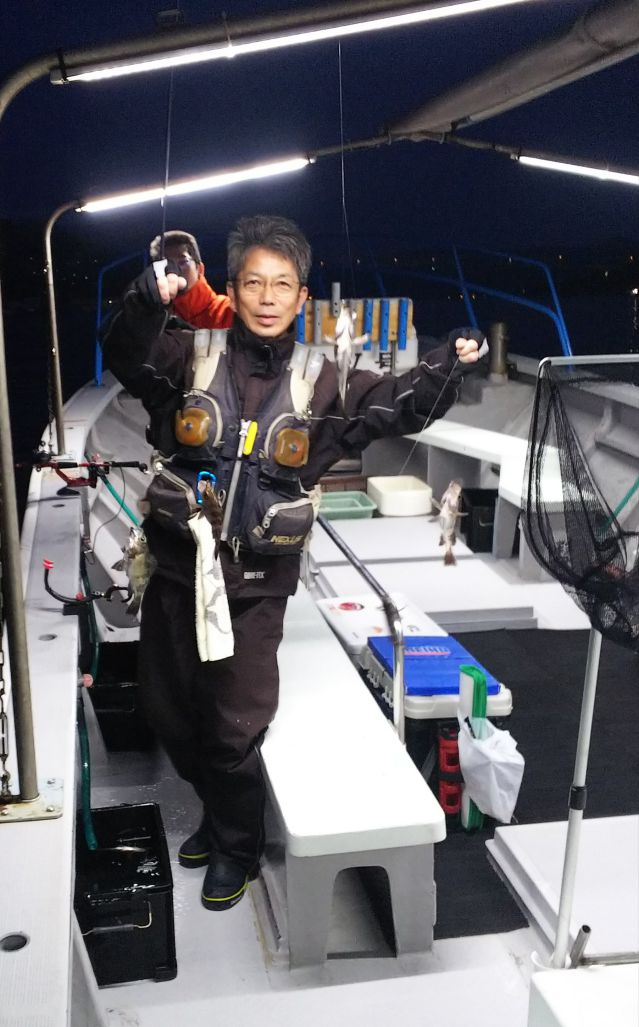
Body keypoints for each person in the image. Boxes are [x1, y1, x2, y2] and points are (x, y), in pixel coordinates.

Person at [102, 214, 484, 912]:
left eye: (282, 285)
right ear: (233, 289)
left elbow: (397, 406)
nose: (268, 297)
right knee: (166, 713)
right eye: (254, 283)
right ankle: (219, 812)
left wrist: (448, 364)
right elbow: (128, 354)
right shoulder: (191, 356)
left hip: (254, 588)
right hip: (178, 573)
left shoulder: (324, 379)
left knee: (232, 726)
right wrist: (146, 299)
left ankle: (236, 846)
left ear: (302, 297)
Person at [149, 228, 233, 329]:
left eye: (183, 262)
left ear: (200, 269)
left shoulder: (231, 311)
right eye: (166, 265)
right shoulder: (154, 323)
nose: (175, 270)